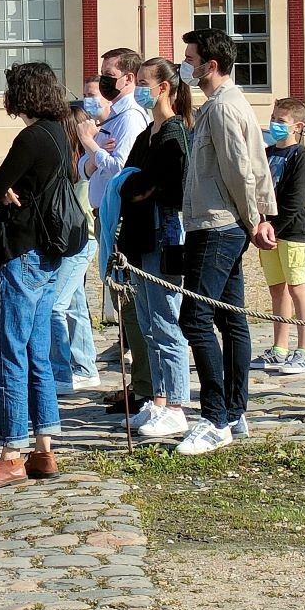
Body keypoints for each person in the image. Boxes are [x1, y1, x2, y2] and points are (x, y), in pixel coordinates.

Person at [0, 61, 72, 489]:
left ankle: (11, 452)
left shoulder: (31, 137)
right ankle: (44, 447)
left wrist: (4, 194)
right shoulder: (60, 133)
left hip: (23, 251)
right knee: (37, 352)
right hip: (47, 252)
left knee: (10, 353)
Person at [176, 29, 277, 455]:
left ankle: (215, 416)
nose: (186, 65)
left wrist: (256, 219)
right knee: (230, 319)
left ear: (210, 65)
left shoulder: (222, 107)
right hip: (220, 222)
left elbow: (242, 168)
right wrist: (258, 216)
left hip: (218, 225)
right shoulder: (225, 104)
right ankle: (235, 413)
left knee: (194, 319)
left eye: (190, 58)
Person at [117, 57, 193, 440]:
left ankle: (177, 403)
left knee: (166, 322)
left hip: (162, 234)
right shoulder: (150, 132)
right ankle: (159, 400)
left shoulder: (175, 133)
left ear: (163, 87)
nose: (141, 88)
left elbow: (171, 189)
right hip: (139, 234)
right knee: (147, 324)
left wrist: (140, 188)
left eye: (145, 82)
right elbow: (127, 177)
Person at [79, 49, 150, 412]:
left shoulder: (131, 119)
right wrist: (93, 154)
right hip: (101, 212)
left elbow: (119, 168)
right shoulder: (114, 117)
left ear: (128, 79)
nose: (103, 79)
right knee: (121, 301)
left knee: (132, 301)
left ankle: (143, 387)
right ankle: (137, 384)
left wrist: (92, 144)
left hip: (120, 217)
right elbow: (85, 168)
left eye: (109, 74)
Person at [252, 96, 305, 376]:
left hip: (291, 232)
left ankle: (304, 350)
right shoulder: (267, 154)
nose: (275, 124)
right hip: (267, 232)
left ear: (297, 126)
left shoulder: (301, 157)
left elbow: (295, 198)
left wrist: (274, 226)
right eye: (273, 119)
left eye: (281, 121)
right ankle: (280, 347)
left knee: (297, 287)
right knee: (277, 288)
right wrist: (259, 223)